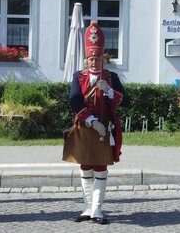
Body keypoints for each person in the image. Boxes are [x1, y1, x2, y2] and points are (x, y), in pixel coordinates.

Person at [66, 21, 131, 224]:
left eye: (97, 58)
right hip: (87, 127)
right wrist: (91, 120)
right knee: (85, 167)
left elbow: (127, 101)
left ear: (103, 58)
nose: (93, 62)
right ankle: (87, 207)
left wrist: (110, 91)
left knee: (100, 168)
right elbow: (74, 100)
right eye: (90, 59)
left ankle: (97, 209)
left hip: (105, 129)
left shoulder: (111, 77)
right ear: (86, 60)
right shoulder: (79, 76)